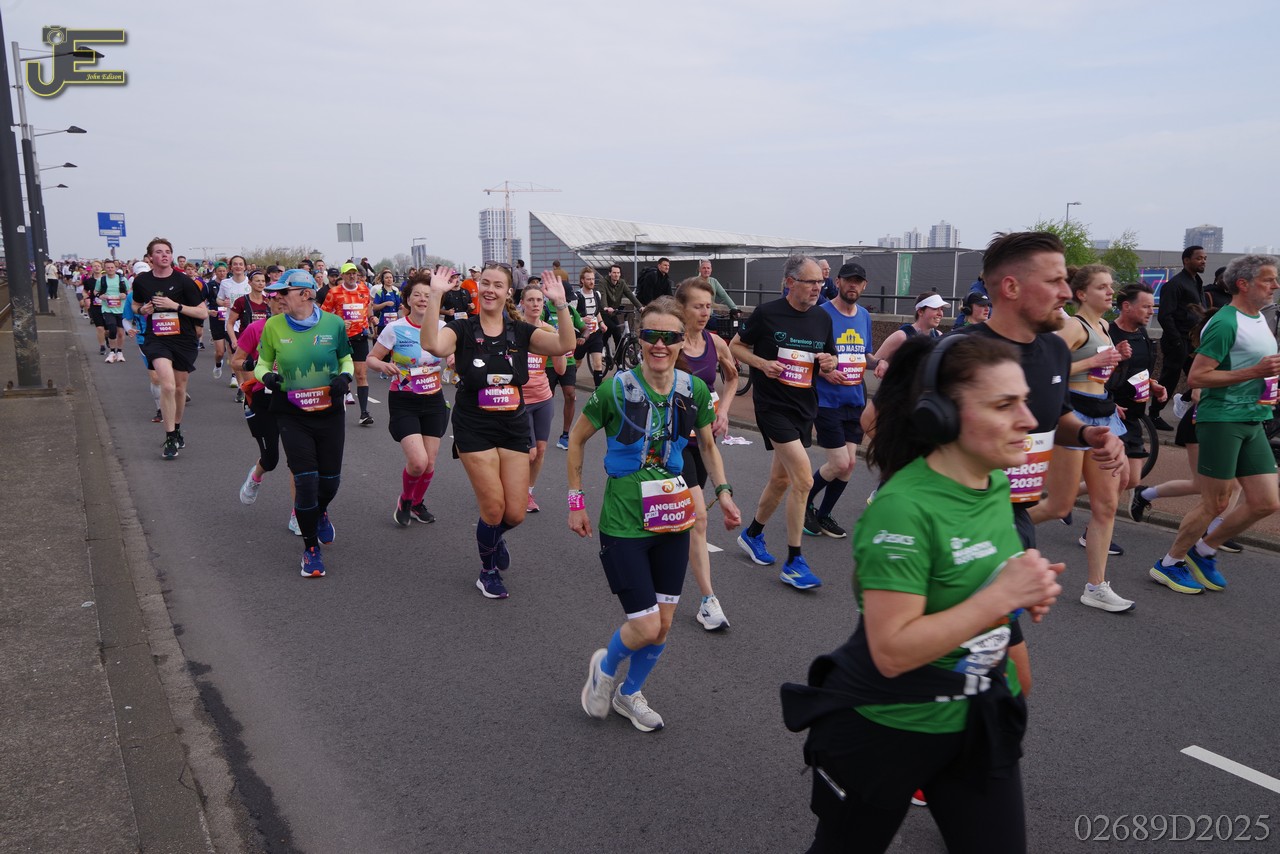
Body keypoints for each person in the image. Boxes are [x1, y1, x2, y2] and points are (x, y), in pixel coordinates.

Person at [782, 333, 1063, 854]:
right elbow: (892, 651)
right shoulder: (902, 508)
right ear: (944, 415)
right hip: (888, 727)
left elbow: (976, 574)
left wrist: (1025, 581)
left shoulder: (994, 484)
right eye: (1004, 405)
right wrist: (1000, 596)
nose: (1028, 419)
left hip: (975, 718)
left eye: (1024, 401)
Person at [954, 231, 1125, 693]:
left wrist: (1087, 433)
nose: (1067, 292)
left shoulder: (1051, 349)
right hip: (963, 526)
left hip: (1017, 518)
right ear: (1010, 287)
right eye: (1054, 281)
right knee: (986, 677)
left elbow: (1055, 414)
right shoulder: (959, 353)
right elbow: (883, 426)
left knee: (1006, 681)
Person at [572, 296, 741, 731]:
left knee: (662, 627)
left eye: (669, 336)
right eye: (651, 335)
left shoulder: (694, 389)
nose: (660, 344)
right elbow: (577, 439)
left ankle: (629, 695)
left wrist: (723, 492)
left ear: (683, 340)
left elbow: (707, 446)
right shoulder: (615, 390)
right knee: (646, 626)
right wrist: (576, 501)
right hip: (624, 525)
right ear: (640, 339)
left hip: (672, 520)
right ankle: (604, 669)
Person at [420, 264, 576, 599]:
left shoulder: (521, 331)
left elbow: (565, 343)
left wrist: (561, 304)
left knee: (515, 513)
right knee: (493, 508)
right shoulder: (462, 328)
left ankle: (492, 536)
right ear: (478, 288)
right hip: (473, 426)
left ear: (509, 292)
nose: (490, 290)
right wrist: (435, 295)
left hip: (513, 426)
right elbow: (433, 345)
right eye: (485, 283)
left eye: (498, 285)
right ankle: (487, 570)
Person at [1150, 254, 1280, 594]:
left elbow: (1253, 367)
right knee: (1215, 503)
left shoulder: (1258, 318)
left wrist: (1265, 384)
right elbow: (1197, 377)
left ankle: (1204, 550)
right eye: (1269, 280)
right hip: (1222, 419)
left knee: (1266, 502)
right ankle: (1169, 563)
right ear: (1244, 284)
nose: (1276, 285)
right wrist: (1255, 372)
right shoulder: (1225, 322)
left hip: (1253, 417)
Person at [1027, 265, 1136, 612]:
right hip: (1074, 416)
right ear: (1082, 294)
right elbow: (1046, 369)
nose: (1110, 292)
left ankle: (1096, 587)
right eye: (1102, 287)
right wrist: (1093, 362)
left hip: (1102, 414)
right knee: (1060, 505)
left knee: (1107, 504)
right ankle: (997, 528)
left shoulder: (1104, 327)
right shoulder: (1074, 326)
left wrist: (1115, 359)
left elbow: (1099, 374)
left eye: (1111, 286)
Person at [730, 255, 838, 589]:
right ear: (791, 282)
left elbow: (830, 360)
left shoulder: (822, 318)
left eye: (821, 282)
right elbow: (736, 347)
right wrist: (762, 364)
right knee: (803, 480)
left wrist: (829, 362)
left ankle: (753, 534)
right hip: (772, 407)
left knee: (780, 480)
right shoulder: (767, 313)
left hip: (803, 407)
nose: (818, 288)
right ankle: (794, 561)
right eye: (811, 282)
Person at [254, 269, 355, 577]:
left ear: (306, 293)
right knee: (306, 481)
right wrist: (267, 377)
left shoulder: (334, 324)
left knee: (330, 482)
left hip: (329, 412)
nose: (278, 298)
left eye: (284, 292)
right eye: (277, 293)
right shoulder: (273, 326)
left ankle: (320, 512)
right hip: (291, 413)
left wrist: (345, 376)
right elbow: (261, 364)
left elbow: (345, 358)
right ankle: (310, 549)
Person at [674, 278, 738, 629]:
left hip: (703, 439)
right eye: (698, 306)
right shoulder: (670, 343)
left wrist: (723, 411)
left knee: (687, 515)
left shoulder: (715, 342)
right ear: (681, 308)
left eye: (709, 306)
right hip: (673, 443)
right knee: (699, 518)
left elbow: (732, 377)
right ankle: (708, 600)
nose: (704, 312)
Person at [365, 273, 449, 527]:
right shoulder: (395, 328)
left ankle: (416, 503)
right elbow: (371, 359)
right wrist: (383, 365)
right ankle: (405, 499)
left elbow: (452, 353)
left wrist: (454, 359)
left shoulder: (443, 328)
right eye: (417, 295)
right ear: (408, 300)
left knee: (430, 463)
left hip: (434, 399)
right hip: (404, 400)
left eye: (428, 296)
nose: (423, 299)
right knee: (418, 462)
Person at [805, 262, 874, 539]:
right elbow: (806, 355)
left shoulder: (865, 316)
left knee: (850, 464)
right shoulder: (821, 313)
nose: (853, 285)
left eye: (858, 281)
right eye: (848, 280)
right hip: (827, 400)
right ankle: (803, 502)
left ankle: (824, 514)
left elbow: (865, 354)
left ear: (864, 286)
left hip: (854, 399)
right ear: (838, 282)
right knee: (839, 463)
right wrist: (825, 372)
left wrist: (881, 363)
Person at [130, 238, 210, 460]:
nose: (164, 255)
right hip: (157, 338)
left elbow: (202, 313)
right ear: (150, 257)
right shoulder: (142, 281)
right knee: (167, 384)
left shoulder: (184, 281)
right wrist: (142, 310)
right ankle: (170, 436)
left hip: (183, 339)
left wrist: (176, 306)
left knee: (179, 389)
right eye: (159, 252)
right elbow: (135, 305)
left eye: (167, 251)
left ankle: (177, 427)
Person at [1107, 282, 1169, 505]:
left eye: (1152, 306)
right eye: (1146, 306)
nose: (1151, 311)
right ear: (1126, 306)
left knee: (1132, 479)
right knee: (1116, 480)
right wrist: (1108, 402)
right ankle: (1096, 523)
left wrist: (1151, 384)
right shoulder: (1109, 334)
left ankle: (1068, 496)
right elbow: (1095, 376)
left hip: (1133, 415)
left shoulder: (1142, 334)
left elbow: (1139, 370)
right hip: (1111, 416)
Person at [230, 285, 287, 508]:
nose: (281, 302)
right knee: (271, 459)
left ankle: (300, 515)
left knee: (300, 459)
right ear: (267, 302)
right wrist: (252, 365)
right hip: (262, 399)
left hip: (293, 398)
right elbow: (235, 361)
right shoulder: (256, 328)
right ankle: (255, 477)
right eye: (276, 298)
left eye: (285, 297)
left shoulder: (302, 329)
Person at [515, 282, 568, 513]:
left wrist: (560, 344)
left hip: (543, 398)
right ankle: (512, 487)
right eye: (531, 300)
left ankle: (527, 492)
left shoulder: (548, 331)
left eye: (539, 300)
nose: (535, 304)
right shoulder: (514, 330)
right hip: (519, 399)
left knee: (541, 450)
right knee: (529, 452)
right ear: (522, 303)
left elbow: (560, 370)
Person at [1151, 245, 1208, 428]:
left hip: (1194, 341)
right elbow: (1165, 315)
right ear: (1186, 260)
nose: (1203, 261)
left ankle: (1187, 404)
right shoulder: (1175, 285)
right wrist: (1176, 341)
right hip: (1178, 340)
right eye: (1199, 258)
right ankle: (1154, 415)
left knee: (1201, 377)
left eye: (1205, 258)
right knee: (1170, 378)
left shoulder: (1197, 282)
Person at [320, 262, 377, 425]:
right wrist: (338, 322)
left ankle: (364, 413)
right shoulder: (334, 292)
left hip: (360, 338)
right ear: (343, 276)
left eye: (354, 273)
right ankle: (335, 410)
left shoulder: (364, 289)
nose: (352, 276)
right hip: (341, 339)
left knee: (361, 375)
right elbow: (323, 315)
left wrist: (371, 318)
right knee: (340, 375)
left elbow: (367, 308)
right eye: (348, 273)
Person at [871, 292, 945, 378]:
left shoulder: (939, 336)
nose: (940, 313)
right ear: (920, 311)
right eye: (935, 308)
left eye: (942, 309)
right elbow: (874, 361)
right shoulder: (902, 336)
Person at [217, 256, 253, 387]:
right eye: (235, 264)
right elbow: (219, 299)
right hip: (231, 324)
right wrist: (223, 303)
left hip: (248, 324)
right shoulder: (225, 283)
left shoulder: (250, 282)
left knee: (248, 354)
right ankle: (240, 384)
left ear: (245, 267)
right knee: (235, 353)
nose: (238, 266)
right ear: (231, 267)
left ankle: (248, 383)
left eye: (240, 264)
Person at [574, 267, 608, 387]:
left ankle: (598, 391)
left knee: (598, 363)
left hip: (595, 333)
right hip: (581, 335)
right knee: (577, 362)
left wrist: (601, 323)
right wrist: (581, 319)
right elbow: (570, 316)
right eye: (588, 279)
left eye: (593, 279)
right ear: (582, 280)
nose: (592, 282)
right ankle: (570, 382)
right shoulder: (576, 296)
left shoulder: (596, 294)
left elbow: (597, 312)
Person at [600, 264, 641, 352]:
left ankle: (618, 359)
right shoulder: (603, 282)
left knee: (618, 336)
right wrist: (606, 307)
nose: (616, 275)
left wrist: (640, 307)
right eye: (614, 273)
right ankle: (601, 348)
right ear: (610, 273)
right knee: (613, 328)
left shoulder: (622, 283)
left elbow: (630, 295)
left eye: (618, 273)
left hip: (613, 312)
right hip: (604, 313)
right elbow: (603, 295)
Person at [96, 259, 129, 363]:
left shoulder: (122, 279)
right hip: (107, 308)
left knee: (121, 333)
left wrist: (125, 295)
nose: (110, 269)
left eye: (112, 267)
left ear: (115, 268)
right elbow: (96, 291)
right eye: (108, 268)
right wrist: (100, 296)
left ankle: (119, 352)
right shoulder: (101, 280)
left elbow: (129, 291)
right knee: (112, 329)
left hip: (121, 309)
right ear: (104, 269)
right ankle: (112, 352)